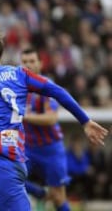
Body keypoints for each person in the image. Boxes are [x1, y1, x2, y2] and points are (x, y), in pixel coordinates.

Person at [0, 29, 108, 211]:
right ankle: (38, 191)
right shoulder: (20, 74)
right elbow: (58, 91)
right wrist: (85, 121)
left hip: (4, 167)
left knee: (58, 197)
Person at [21, 48, 71, 211]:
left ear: (40, 64)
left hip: (51, 148)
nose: (28, 65)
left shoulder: (46, 87)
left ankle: (45, 195)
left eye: (32, 61)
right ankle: (40, 193)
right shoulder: (17, 88)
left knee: (58, 198)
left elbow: (52, 118)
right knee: (10, 177)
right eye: (25, 61)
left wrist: (25, 116)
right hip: (28, 147)